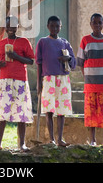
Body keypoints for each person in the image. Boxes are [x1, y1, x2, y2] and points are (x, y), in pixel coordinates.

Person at [0, 16, 34, 152]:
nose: (11, 28)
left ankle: (22, 144)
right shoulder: (1, 43)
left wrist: (16, 57)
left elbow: (31, 61)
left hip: (20, 80)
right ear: (5, 27)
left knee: (21, 113)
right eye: (8, 26)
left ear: (18, 27)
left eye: (14, 26)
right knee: (2, 112)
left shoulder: (24, 42)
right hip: (5, 80)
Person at [36, 15, 76, 147]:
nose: (54, 28)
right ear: (48, 26)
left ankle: (60, 139)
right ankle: (51, 138)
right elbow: (39, 63)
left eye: (57, 26)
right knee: (49, 110)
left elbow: (73, 62)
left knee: (61, 110)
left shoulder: (65, 43)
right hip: (48, 79)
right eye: (52, 26)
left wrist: (67, 59)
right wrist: (38, 82)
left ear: (61, 27)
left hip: (63, 79)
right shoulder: (42, 42)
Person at [77, 13, 103, 148]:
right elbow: (80, 62)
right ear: (90, 24)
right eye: (95, 23)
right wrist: (87, 77)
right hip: (91, 83)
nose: (97, 25)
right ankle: (92, 140)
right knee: (91, 112)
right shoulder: (85, 40)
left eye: (100, 23)